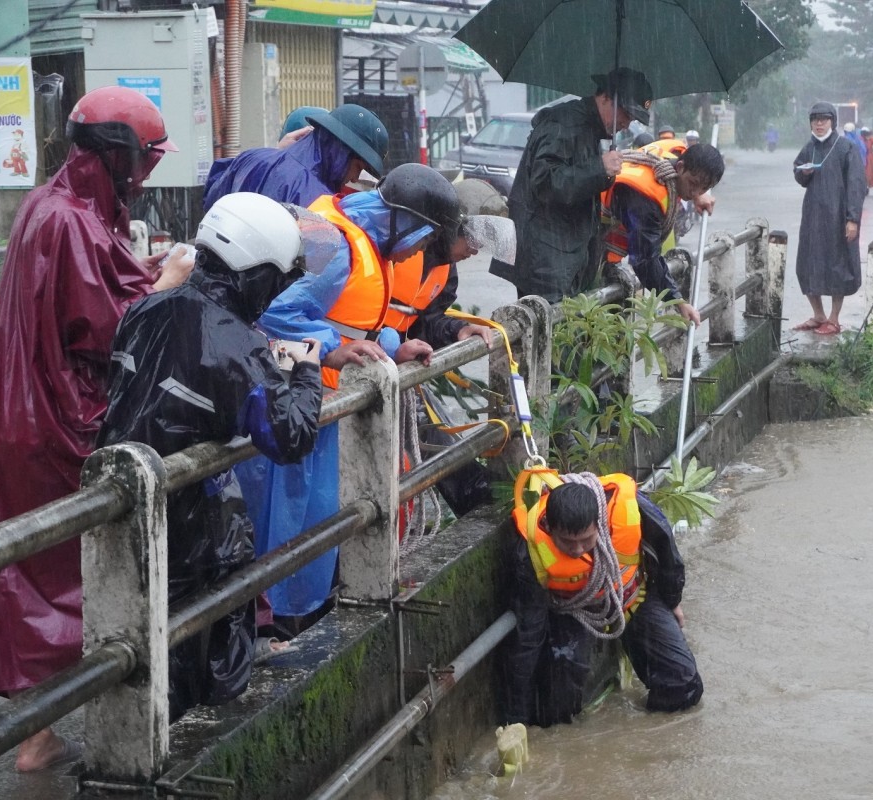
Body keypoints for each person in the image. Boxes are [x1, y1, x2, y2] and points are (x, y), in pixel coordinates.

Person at [0, 85, 194, 772]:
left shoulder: (57, 205)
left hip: (22, 414)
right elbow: (110, 325)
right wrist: (172, 279)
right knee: (56, 570)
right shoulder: (68, 221)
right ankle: (38, 739)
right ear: (121, 157)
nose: (151, 172)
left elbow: (102, 286)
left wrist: (151, 271)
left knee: (33, 570)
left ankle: (43, 727)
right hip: (48, 421)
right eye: (149, 159)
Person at [97, 193, 327, 719]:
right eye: (275, 279)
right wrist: (308, 369)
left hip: (118, 499)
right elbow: (288, 436)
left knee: (138, 635)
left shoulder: (145, 307)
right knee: (199, 642)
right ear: (254, 271)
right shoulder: (237, 344)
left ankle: (145, 734)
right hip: (193, 520)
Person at [235, 163, 462, 630]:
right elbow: (274, 317)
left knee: (319, 514)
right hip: (295, 399)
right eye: (423, 239)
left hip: (324, 401)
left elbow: (349, 319)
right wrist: (335, 350)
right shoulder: (337, 245)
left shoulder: (362, 238)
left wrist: (396, 348)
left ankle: (297, 611)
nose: (420, 251)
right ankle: (276, 623)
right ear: (404, 220)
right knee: (290, 517)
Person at [500, 469, 702, 727]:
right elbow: (528, 636)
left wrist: (673, 600)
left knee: (684, 685)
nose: (577, 550)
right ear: (550, 528)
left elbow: (666, 546)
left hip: (632, 597)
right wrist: (516, 720)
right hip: (573, 612)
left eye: (586, 540)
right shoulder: (529, 550)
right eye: (567, 542)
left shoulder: (631, 509)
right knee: (553, 710)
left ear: (600, 522)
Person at [491, 67, 654, 302]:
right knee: (551, 333)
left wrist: (603, 172)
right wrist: (599, 168)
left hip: (564, 257)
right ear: (606, 97)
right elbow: (545, 182)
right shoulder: (564, 124)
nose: (627, 124)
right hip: (546, 261)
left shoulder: (588, 129)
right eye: (627, 113)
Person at [600, 143, 725, 324]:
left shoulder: (672, 159)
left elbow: (682, 153)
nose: (695, 192)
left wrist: (697, 194)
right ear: (680, 167)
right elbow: (645, 260)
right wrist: (678, 302)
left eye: (704, 189)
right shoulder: (644, 197)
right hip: (583, 238)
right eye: (693, 184)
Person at [203, 103, 389, 211]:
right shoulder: (320, 201)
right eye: (358, 167)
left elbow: (211, 200)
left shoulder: (252, 157)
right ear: (342, 153)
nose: (356, 178)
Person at [792, 102, 866, 336]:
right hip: (812, 218)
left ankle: (834, 318)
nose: (819, 123)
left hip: (838, 218)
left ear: (833, 122)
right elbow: (797, 171)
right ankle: (818, 314)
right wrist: (802, 173)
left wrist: (852, 219)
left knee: (838, 266)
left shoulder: (846, 147)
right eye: (815, 120)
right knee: (806, 264)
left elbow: (856, 185)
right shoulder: (809, 148)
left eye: (824, 119)